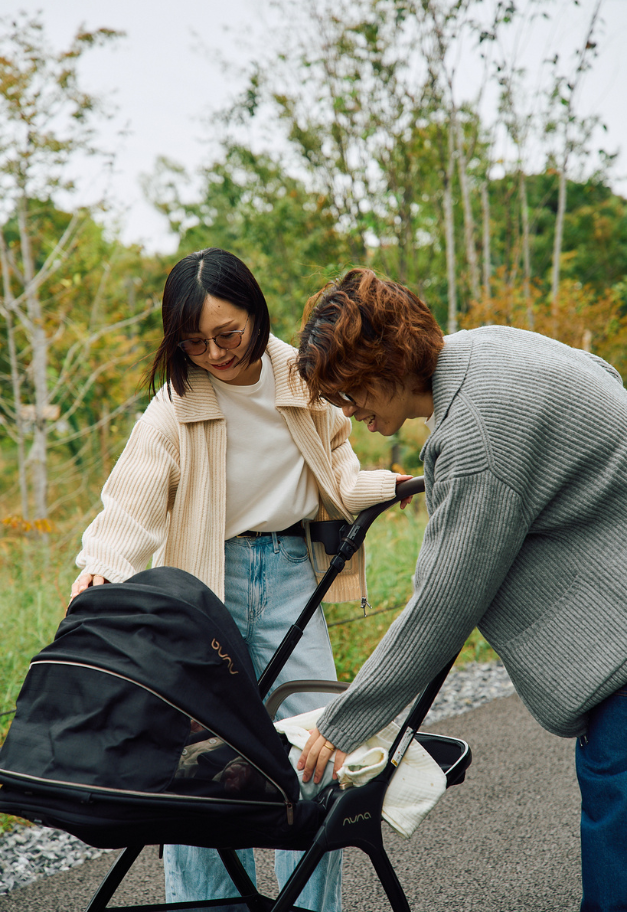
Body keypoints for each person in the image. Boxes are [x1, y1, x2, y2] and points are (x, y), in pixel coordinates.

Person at [70, 249, 409, 912]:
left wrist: (380, 486)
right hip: (202, 579)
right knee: (197, 763)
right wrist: (102, 568)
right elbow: (131, 500)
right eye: (194, 342)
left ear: (255, 314)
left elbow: (334, 462)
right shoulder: (174, 405)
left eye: (227, 334)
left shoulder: (303, 377)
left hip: (288, 572)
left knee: (316, 746)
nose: (215, 353)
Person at [294, 267, 627, 912]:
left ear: (388, 360)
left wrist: (346, 723)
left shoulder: (473, 434)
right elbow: (604, 375)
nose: (350, 411)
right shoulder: (485, 347)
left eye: (351, 390)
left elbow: (445, 598)